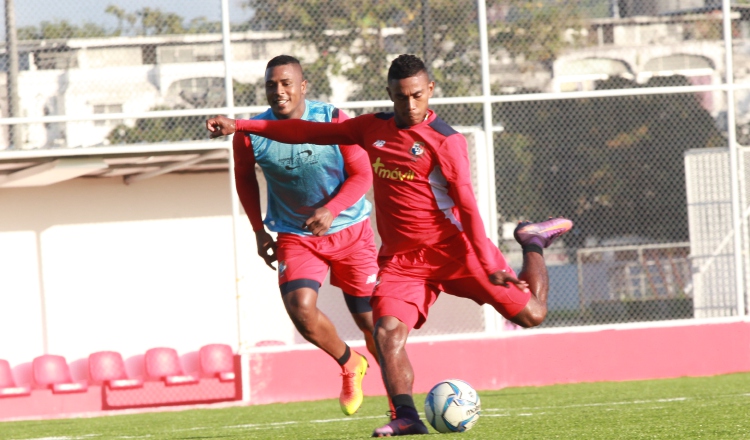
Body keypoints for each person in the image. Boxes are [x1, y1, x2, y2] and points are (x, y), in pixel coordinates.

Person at [207, 54, 573, 437]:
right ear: (390, 94)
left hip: (457, 251)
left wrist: (488, 258)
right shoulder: (370, 128)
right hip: (403, 262)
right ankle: (407, 417)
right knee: (386, 333)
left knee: (532, 315)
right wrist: (239, 125)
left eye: (417, 95)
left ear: (429, 90)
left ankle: (532, 242)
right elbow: (302, 132)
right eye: (401, 97)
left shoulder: (447, 142)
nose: (410, 105)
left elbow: (466, 206)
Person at [233, 55, 380, 416]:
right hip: (295, 236)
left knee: (369, 321)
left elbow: (363, 174)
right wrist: (257, 230)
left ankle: (399, 406)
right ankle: (349, 363)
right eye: (271, 84)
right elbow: (244, 179)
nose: (278, 91)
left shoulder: (332, 119)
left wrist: (332, 209)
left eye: (286, 83)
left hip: (351, 232)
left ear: (303, 86)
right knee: (300, 309)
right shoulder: (251, 131)